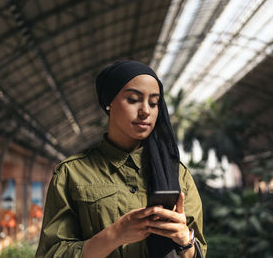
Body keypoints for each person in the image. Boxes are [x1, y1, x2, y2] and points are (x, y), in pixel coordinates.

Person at [36, 60, 207, 258]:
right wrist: (114, 235)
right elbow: (50, 253)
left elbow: (199, 251)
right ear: (109, 102)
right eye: (133, 99)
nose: (145, 111)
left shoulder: (178, 174)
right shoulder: (71, 173)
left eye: (153, 103)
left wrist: (185, 243)